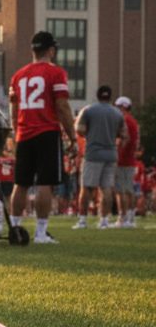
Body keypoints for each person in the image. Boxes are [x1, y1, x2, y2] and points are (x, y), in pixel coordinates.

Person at [8, 30, 78, 244]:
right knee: (45, 183)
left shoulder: (18, 75)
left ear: (33, 50)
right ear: (51, 50)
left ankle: (15, 229)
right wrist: (73, 138)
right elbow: (62, 106)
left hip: (24, 132)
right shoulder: (55, 73)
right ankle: (40, 233)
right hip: (46, 131)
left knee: (21, 183)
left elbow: (13, 110)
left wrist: (16, 131)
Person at [72, 85, 126, 231]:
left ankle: (83, 221)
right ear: (110, 97)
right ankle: (104, 221)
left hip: (93, 153)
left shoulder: (89, 110)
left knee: (87, 188)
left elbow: (80, 129)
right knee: (107, 188)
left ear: (97, 96)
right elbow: (124, 135)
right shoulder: (118, 114)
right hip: (111, 154)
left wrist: (91, 134)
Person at [113, 96, 140, 228]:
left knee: (121, 190)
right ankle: (130, 217)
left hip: (122, 159)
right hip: (130, 160)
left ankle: (122, 218)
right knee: (129, 189)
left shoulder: (124, 120)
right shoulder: (133, 121)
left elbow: (124, 140)